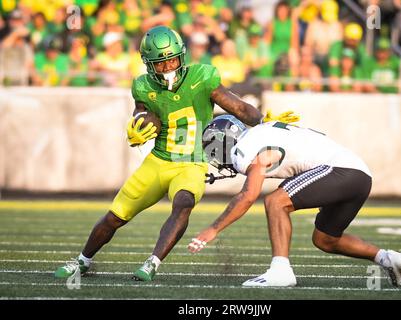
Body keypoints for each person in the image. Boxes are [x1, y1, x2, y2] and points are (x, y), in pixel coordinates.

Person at [54, 26, 299, 282]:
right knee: (115, 216)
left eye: (172, 59)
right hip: (158, 161)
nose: (169, 66)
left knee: (184, 202)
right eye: (161, 63)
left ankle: (152, 262)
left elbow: (237, 106)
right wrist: (137, 124)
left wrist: (263, 122)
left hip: (191, 163)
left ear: (181, 56)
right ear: (149, 65)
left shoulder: (202, 77)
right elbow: (142, 112)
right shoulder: (142, 86)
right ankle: (82, 262)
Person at [189, 115, 401, 287]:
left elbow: (248, 195)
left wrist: (213, 229)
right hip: (360, 176)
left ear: (224, 141)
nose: (215, 157)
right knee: (325, 239)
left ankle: (280, 270)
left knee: (275, 202)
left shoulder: (243, 149)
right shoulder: (261, 130)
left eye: (213, 150)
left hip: (340, 170)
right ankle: (387, 258)